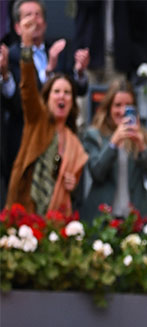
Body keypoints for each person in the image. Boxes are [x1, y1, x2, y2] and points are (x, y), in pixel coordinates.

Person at [1, 0, 89, 207]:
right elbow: (24, 98)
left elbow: (75, 91)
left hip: (57, 145)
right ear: (16, 26)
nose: (34, 20)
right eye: (28, 16)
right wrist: (6, 73)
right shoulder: (9, 56)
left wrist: (79, 72)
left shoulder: (60, 49)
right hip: (23, 141)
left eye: (38, 15)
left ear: (46, 22)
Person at [80, 79, 147, 223]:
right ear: (109, 108)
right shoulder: (95, 135)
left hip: (134, 220)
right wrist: (113, 143)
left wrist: (141, 146)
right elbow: (96, 173)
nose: (122, 111)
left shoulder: (143, 136)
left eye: (128, 106)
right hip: (102, 218)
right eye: (117, 105)